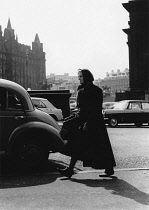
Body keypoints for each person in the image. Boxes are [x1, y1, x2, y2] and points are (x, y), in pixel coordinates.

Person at [59, 69, 116, 178]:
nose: (79, 78)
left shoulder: (95, 91)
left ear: (86, 77)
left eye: (80, 76)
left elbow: (95, 109)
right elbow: (81, 108)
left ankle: (71, 170)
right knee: (98, 146)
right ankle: (108, 169)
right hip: (90, 122)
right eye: (78, 76)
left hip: (92, 122)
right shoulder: (85, 90)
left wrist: (87, 122)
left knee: (81, 144)